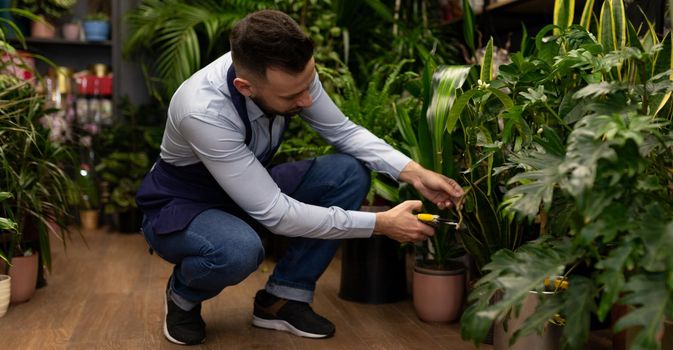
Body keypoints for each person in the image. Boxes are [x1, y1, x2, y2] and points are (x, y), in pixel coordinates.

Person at [136, 9, 463, 346]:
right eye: (292, 97)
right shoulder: (202, 111)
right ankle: (183, 295)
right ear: (244, 87)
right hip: (184, 206)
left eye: (308, 85)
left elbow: (343, 132)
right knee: (238, 250)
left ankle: (282, 299)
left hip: (248, 189)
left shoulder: (291, 73)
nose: (306, 101)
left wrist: (415, 172)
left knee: (347, 174)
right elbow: (276, 215)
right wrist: (379, 224)